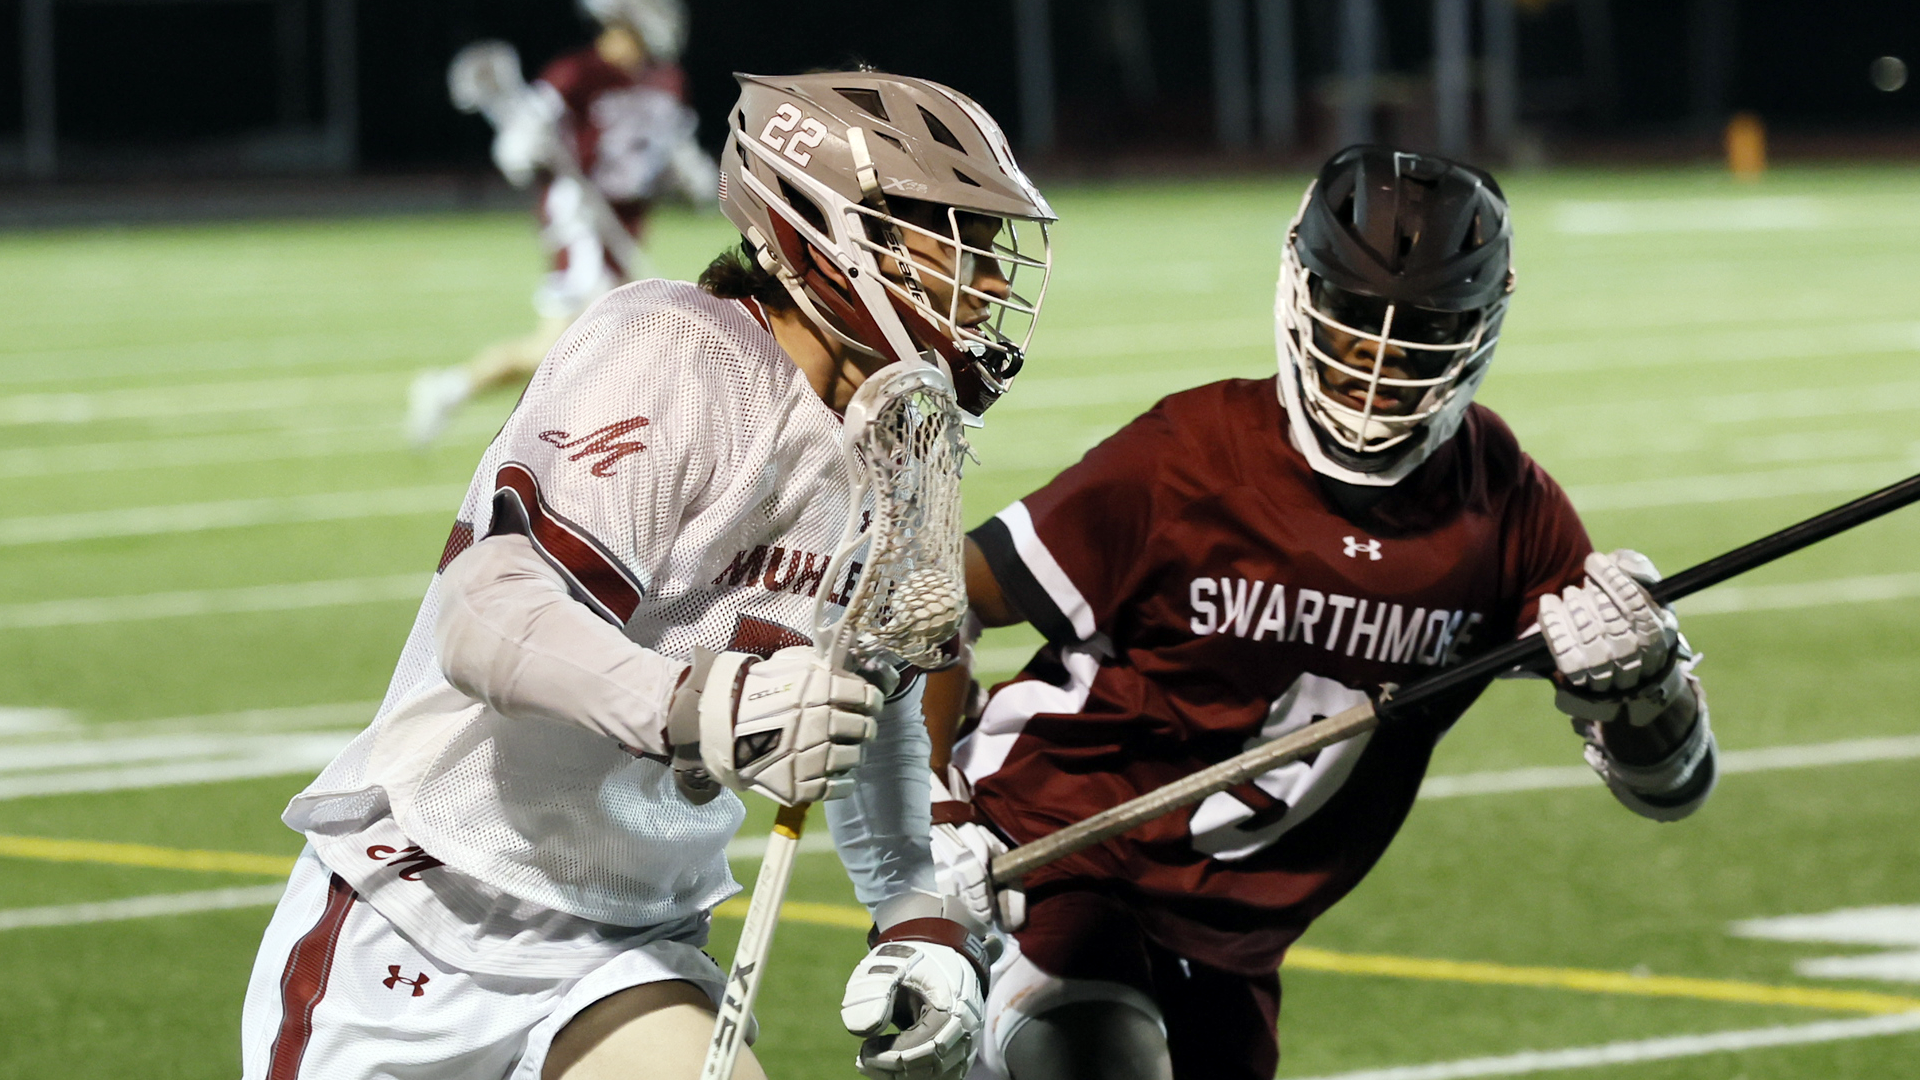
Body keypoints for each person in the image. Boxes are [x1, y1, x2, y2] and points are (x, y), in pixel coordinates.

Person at [242, 70, 1054, 1080]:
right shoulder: (679, 351)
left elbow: (870, 690)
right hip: (430, 904)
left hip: (626, 946)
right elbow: (484, 613)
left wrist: (909, 906)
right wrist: (707, 703)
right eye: (948, 233)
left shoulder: (908, 436)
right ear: (822, 231)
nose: (983, 278)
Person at [924, 146, 1717, 1080]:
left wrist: (1646, 685)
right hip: (1048, 863)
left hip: (1232, 943)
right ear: (1301, 291)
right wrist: (933, 816)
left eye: (1419, 330)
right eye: (1350, 322)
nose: (1375, 363)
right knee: (1101, 1056)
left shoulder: (1500, 503)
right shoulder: (1192, 456)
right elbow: (932, 603)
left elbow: (1671, 790)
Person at [407, 0, 719, 448]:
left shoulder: (667, 80)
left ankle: (449, 389)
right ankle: (623, 445)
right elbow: (519, 148)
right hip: (582, 222)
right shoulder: (575, 73)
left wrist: (691, 175)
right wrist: (524, 145)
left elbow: (668, 153)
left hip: (626, 224)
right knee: (627, 336)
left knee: (552, 348)